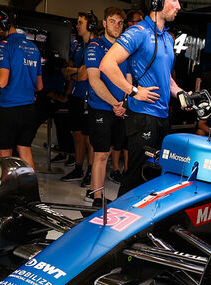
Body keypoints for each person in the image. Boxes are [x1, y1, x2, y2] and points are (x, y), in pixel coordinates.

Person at [99, 0, 186, 196]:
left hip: (162, 117)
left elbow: (167, 77)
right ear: (157, 2)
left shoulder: (168, 38)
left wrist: (180, 93)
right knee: (135, 178)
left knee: (156, 177)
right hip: (143, 117)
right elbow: (107, 64)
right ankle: (117, 223)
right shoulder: (138, 31)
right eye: (174, 0)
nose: (179, 6)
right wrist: (134, 91)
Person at [0, 9, 41, 168]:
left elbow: (1, 81)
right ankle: (30, 192)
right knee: (25, 150)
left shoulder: (4, 46)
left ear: (4, 22)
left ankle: (7, 192)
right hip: (29, 109)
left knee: (4, 156)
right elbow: (39, 86)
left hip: (9, 110)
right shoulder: (33, 47)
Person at [85, 7, 128, 208]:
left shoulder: (124, 49)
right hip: (102, 107)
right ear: (104, 23)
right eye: (112, 21)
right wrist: (115, 104)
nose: (116, 26)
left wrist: (125, 103)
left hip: (120, 108)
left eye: (120, 22)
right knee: (101, 153)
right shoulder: (94, 46)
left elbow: (129, 79)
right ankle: (96, 198)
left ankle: (96, 190)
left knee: (110, 151)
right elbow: (94, 81)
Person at [61, 13, 96, 183]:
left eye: (80, 23)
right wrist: (75, 72)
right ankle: (78, 168)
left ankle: (91, 171)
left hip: (89, 98)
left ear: (90, 25)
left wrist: (74, 72)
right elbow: (68, 72)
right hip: (76, 96)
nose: (77, 25)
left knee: (89, 138)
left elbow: (82, 75)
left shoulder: (95, 45)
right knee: (78, 135)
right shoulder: (79, 47)